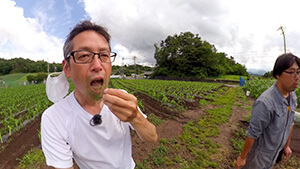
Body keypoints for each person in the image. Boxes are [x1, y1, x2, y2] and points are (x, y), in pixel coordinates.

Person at [41, 20, 158, 169]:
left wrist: (136, 117)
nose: (97, 66)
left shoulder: (121, 98)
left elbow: (152, 137)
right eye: (84, 55)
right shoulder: (54, 118)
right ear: (67, 68)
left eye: (104, 55)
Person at [236, 53, 300, 169]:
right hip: (259, 157)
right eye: (291, 72)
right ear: (278, 75)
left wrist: (286, 145)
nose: (297, 77)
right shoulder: (265, 102)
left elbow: (290, 122)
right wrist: (242, 157)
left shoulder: (293, 96)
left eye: (298, 72)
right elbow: (252, 133)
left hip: (274, 154)